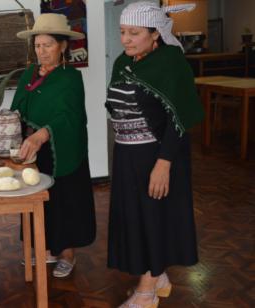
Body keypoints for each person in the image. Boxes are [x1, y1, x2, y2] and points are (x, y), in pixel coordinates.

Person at [105, 2, 204, 307]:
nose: (125, 39)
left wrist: (163, 164)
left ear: (155, 34)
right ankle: (157, 276)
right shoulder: (124, 61)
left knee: (152, 219)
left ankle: (146, 291)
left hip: (156, 156)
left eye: (134, 33)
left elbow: (179, 119)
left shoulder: (171, 63)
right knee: (136, 219)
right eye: (122, 32)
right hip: (126, 155)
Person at [12, 13, 96, 278]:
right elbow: (17, 108)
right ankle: (45, 249)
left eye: (47, 45)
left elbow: (69, 116)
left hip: (63, 147)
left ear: (62, 46)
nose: (41, 50)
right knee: (39, 199)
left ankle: (68, 254)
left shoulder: (70, 77)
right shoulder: (29, 73)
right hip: (34, 151)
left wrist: (42, 135)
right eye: (37, 45)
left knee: (64, 199)